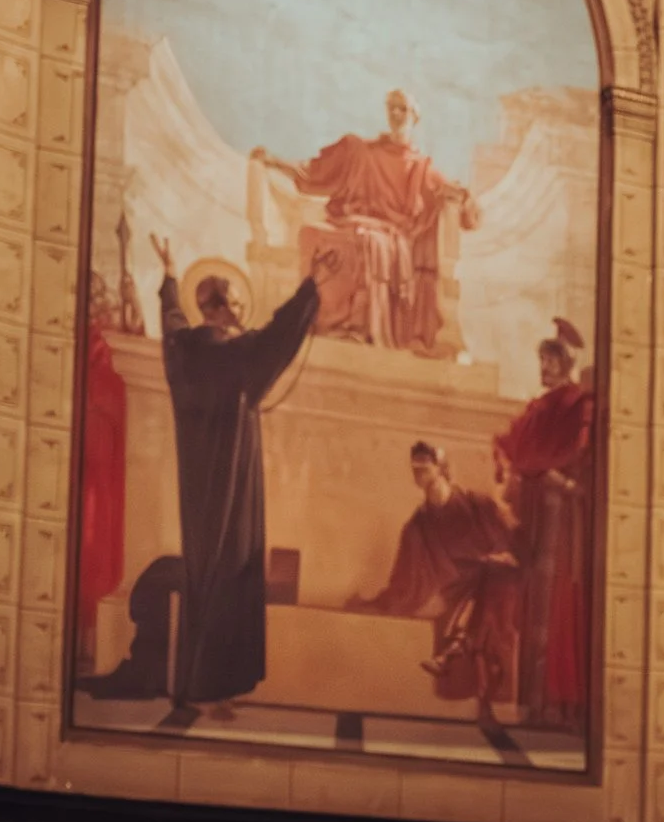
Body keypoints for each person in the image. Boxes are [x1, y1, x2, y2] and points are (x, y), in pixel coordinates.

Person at [155, 249, 321, 728]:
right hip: (232, 485)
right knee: (231, 575)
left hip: (197, 492)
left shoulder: (181, 350)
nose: (239, 313)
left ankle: (197, 686)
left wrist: (169, 276)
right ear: (224, 308)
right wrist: (309, 288)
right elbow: (278, 338)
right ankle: (211, 690)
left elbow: (169, 318)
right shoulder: (236, 355)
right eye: (234, 305)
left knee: (203, 574)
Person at [253, 87, 474, 353]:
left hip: (391, 237)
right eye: (391, 106)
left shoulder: (421, 167)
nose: (395, 113)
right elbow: (314, 171)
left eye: (402, 108)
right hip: (352, 223)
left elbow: (460, 203)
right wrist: (274, 161)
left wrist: (461, 198)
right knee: (313, 234)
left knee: (364, 241)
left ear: (415, 116)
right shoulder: (361, 151)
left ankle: (356, 326)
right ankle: (320, 321)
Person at [350, 439, 522, 717]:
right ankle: (459, 647)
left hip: (497, 585)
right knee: (466, 610)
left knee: (490, 594)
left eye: (425, 468)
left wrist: (503, 558)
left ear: (441, 468)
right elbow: (403, 580)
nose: (418, 474)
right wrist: (376, 603)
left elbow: (514, 545)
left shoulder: (477, 504)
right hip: (457, 590)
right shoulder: (418, 526)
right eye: (414, 469)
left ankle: (460, 645)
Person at [492, 321, 594, 733]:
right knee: (530, 603)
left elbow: (575, 454)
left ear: (567, 363)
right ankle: (529, 707)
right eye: (541, 359)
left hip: (560, 519)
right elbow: (514, 444)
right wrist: (507, 462)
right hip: (533, 515)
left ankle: (555, 705)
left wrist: (555, 476)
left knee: (554, 608)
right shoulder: (538, 408)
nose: (545, 367)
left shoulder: (577, 404)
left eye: (551, 360)